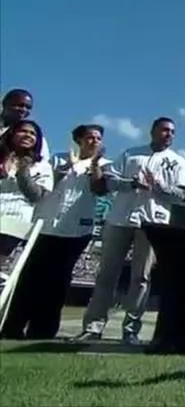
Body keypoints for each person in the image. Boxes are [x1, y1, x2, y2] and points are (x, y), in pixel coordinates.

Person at [73, 117, 185, 345]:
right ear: (153, 131)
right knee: (107, 274)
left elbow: (181, 194)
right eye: (164, 130)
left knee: (141, 277)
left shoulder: (177, 162)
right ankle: (93, 326)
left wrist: (157, 187)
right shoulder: (131, 153)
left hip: (152, 222)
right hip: (120, 218)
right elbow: (109, 181)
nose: (169, 135)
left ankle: (130, 330)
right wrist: (133, 183)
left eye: (172, 132)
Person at [1, 124, 110, 339]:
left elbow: (99, 189)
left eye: (98, 138)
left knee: (58, 282)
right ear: (79, 140)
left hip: (77, 230)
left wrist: (95, 165)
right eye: (89, 137)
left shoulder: (104, 164)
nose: (94, 141)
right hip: (45, 226)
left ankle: (43, 330)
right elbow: (44, 186)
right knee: (29, 278)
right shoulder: (56, 159)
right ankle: (13, 326)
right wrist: (65, 168)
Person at [0, 120, 53, 258]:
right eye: (23, 131)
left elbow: (37, 196)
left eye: (32, 133)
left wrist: (23, 173)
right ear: (12, 134)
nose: (28, 135)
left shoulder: (42, 166)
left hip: (13, 221)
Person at [0, 89, 50, 161]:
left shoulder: (35, 138)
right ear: (5, 103)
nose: (24, 110)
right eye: (20, 105)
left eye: (28, 108)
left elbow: (43, 161)